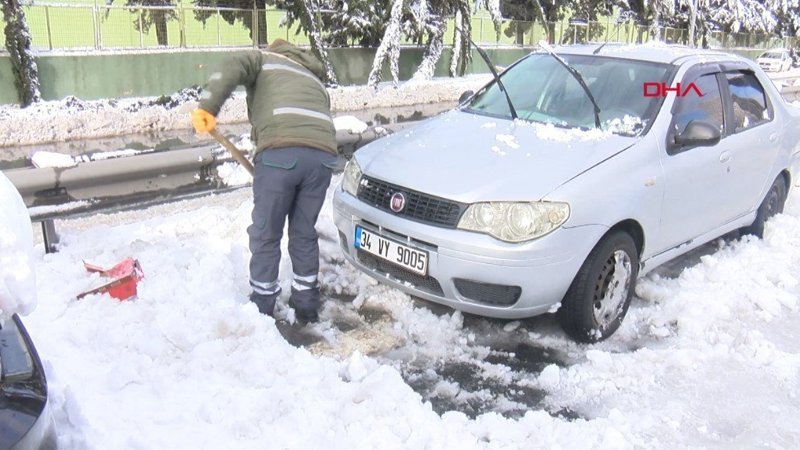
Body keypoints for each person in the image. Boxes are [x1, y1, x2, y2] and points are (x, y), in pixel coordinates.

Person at [191, 39, 338, 323]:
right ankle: (306, 303)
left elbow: (233, 64)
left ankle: (262, 304)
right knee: (303, 230)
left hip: (280, 152)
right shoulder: (313, 78)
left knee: (266, 231)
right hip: (322, 158)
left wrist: (208, 106)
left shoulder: (264, 59)